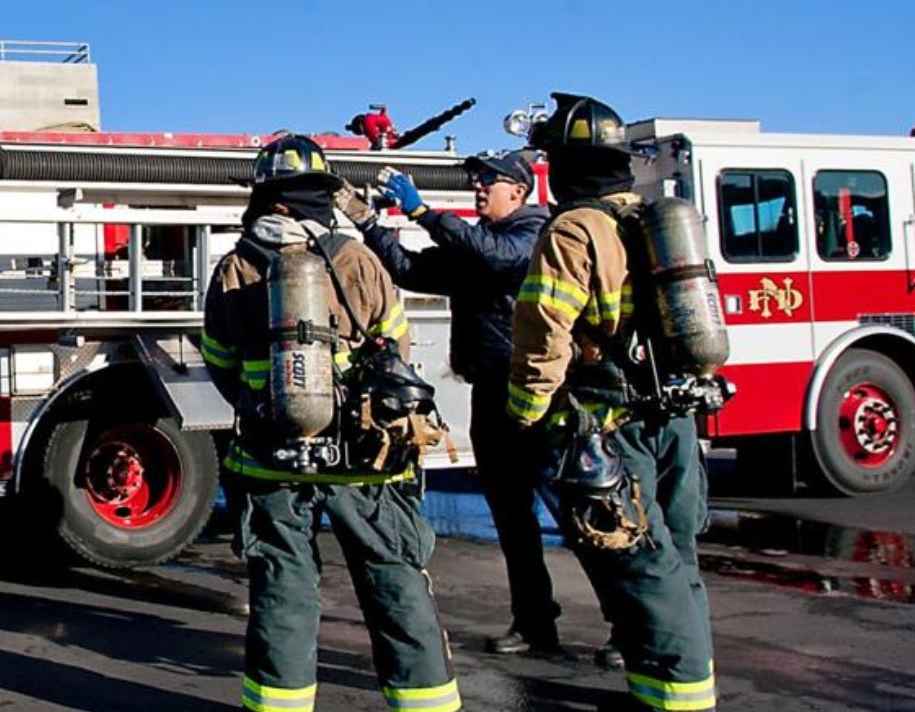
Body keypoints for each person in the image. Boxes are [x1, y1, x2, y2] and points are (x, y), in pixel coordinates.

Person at [203, 134, 460, 712]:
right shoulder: (358, 259)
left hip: (272, 457)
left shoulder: (236, 267)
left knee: (284, 594)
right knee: (394, 583)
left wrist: (263, 402)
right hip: (365, 460)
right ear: (321, 194)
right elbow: (396, 345)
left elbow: (218, 361)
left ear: (265, 197)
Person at [339, 149, 602, 660]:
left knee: (575, 514)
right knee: (511, 517)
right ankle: (533, 623)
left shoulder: (538, 234)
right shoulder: (479, 243)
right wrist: (368, 223)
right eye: (476, 181)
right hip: (491, 392)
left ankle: (628, 624)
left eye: (490, 182)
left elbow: (497, 258)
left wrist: (421, 212)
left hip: (538, 392)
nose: (479, 188)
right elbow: (411, 270)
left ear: (520, 191)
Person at [508, 93, 716, 712]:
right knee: (677, 556)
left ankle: (677, 699)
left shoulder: (576, 228)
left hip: (611, 420)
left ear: (566, 165)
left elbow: (545, 327)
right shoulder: (655, 221)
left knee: (642, 566)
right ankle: (663, 689)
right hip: (671, 415)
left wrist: (525, 412)